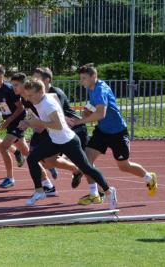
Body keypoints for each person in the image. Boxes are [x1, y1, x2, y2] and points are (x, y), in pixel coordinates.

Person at [19, 78, 116, 208]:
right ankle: (39, 191)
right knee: (32, 158)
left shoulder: (48, 104)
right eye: (27, 95)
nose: (28, 98)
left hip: (68, 141)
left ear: (39, 92)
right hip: (54, 140)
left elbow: (58, 126)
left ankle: (109, 191)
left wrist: (39, 122)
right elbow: (51, 97)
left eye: (30, 95)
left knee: (86, 168)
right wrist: (26, 121)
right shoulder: (42, 97)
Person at [67, 63, 157, 204]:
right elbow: (93, 105)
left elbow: (101, 114)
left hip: (117, 132)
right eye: (81, 78)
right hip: (102, 131)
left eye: (84, 78)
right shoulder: (91, 88)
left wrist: (80, 121)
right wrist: (87, 110)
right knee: (86, 160)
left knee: (124, 166)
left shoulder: (101, 89)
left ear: (93, 77)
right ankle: (94, 194)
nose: (81, 81)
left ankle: (149, 177)